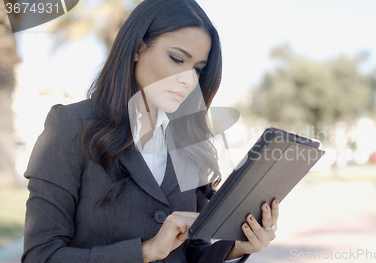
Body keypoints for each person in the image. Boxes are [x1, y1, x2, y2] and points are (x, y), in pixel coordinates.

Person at [21, 0, 279, 262]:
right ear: (137, 48)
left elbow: (192, 251)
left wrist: (237, 247)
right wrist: (147, 251)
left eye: (198, 69)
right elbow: (41, 255)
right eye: (177, 59)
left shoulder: (188, 140)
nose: (188, 80)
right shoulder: (69, 126)